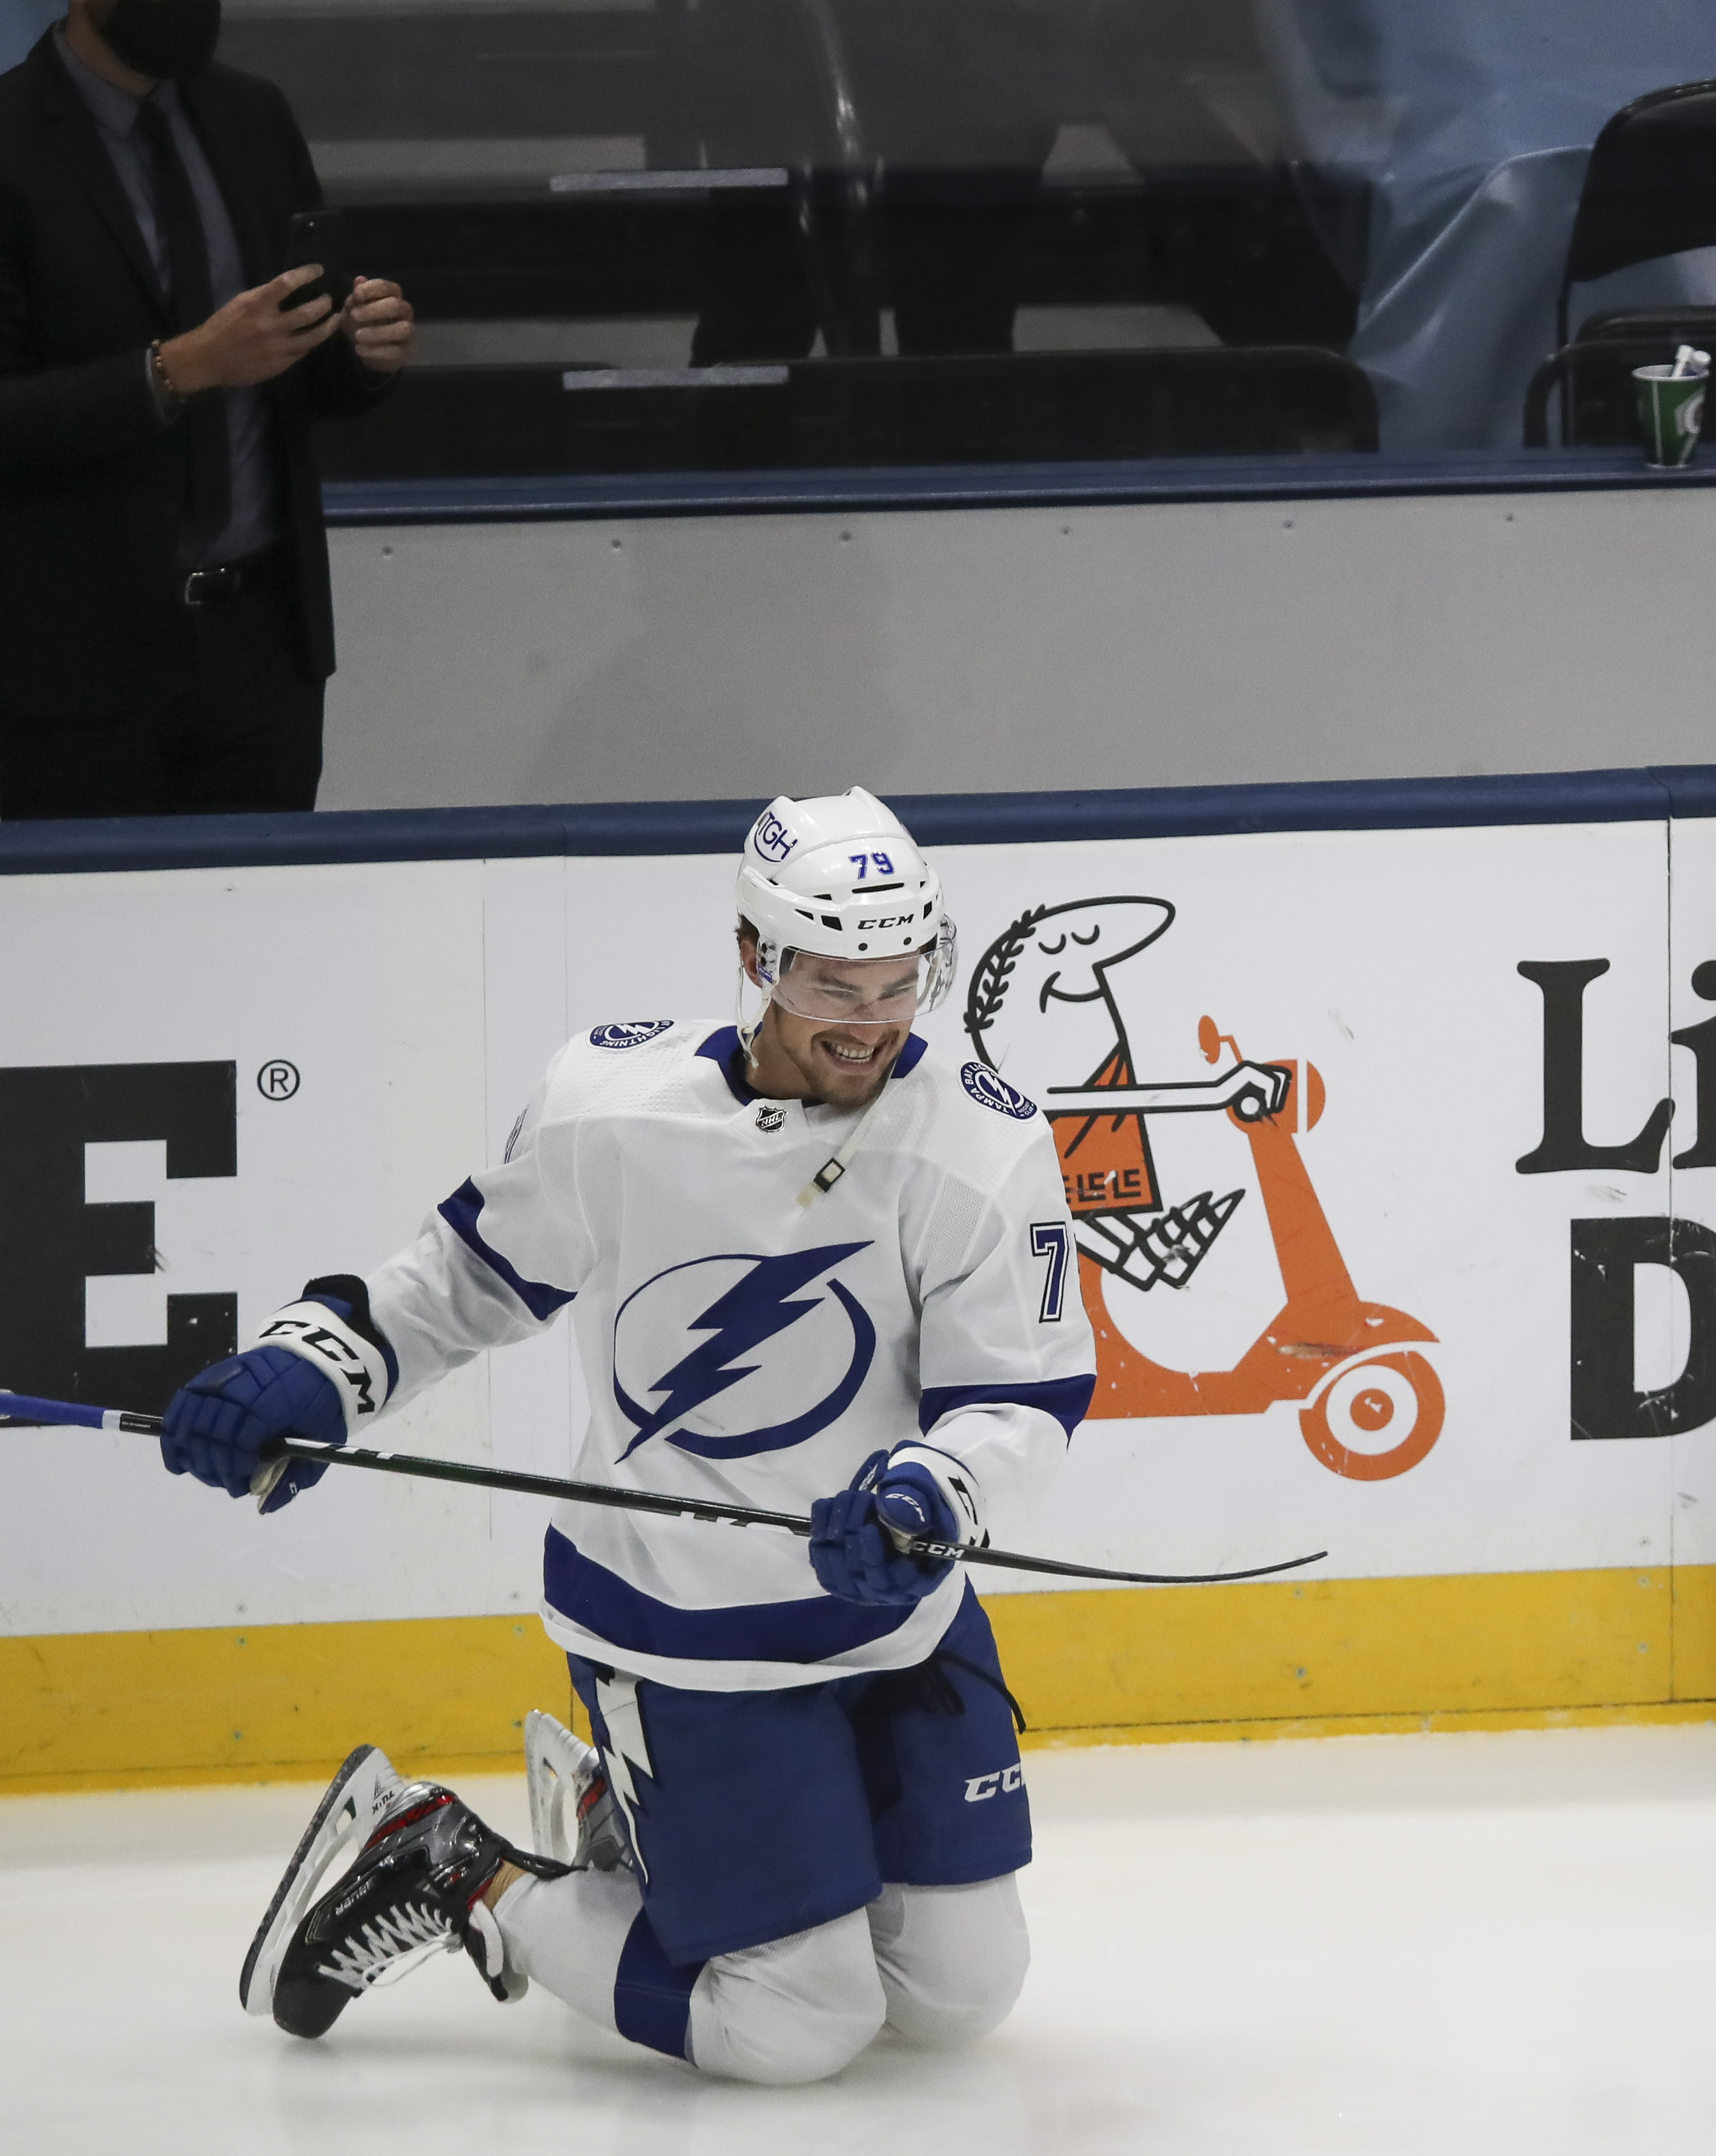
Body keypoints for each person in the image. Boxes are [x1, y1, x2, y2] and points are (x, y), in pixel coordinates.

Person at [158, 788, 1097, 2085]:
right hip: (684, 1632)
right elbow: (463, 1280)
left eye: (900, 983)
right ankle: (449, 1859)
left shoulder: (978, 1144)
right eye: (836, 984)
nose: (873, 1024)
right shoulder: (615, 1109)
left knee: (956, 1993)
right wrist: (317, 1361)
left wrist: (939, 1488)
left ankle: (615, 1812)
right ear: (756, 958)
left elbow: (1024, 1394)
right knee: (794, 2027)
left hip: (893, 1622)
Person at [0, 0, 416, 819]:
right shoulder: (9, 141)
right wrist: (176, 370)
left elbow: (297, 361)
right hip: (71, 668)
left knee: (267, 926)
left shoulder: (251, 116)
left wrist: (364, 351)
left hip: (260, 645)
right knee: (89, 939)